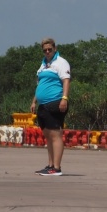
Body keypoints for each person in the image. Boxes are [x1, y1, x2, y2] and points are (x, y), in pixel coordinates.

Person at [30, 38, 71, 176]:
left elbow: (66, 80)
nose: (47, 52)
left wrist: (64, 98)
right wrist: (34, 101)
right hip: (43, 104)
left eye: (49, 49)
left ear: (54, 48)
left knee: (55, 134)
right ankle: (50, 165)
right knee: (48, 136)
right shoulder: (43, 65)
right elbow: (40, 84)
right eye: (45, 50)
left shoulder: (61, 62)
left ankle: (57, 167)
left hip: (55, 102)